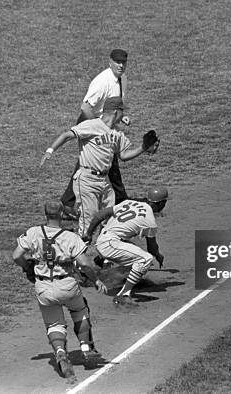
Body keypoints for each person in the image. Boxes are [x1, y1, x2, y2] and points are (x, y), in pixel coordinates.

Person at [12, 202, 108, 382]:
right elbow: (85, 264)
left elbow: (16, 255)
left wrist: (27, 267)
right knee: (80, 311)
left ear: (45, 214)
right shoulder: (70, 237)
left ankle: (61, 352)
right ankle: (86, 348)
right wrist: (95, 280)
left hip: (44, 288)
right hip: (67, 285)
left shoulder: (33, 232)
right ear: (62, 214)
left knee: (54, 324)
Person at [39, 96, 158, 236]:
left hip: (105, 181)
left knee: (110, 216)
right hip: (87, 179)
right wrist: (49, 151)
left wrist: (143, 148)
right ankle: (81, 250)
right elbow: (67, 135)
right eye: (122, 112)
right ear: (115, 112)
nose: (123, 115)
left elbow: (124, 155)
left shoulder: (117, 133)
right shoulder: (92, 125)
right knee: (87, 219)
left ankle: (103, 245)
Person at [60, 49, 131, 219]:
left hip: (104, 123)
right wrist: (98, 127)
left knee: (99, 163)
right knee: (102, 161)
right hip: (90, 124)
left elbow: (112, 106)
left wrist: (121, 117)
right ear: (110, 62)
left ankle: (68, 203)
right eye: (117, 62)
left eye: (123, 62)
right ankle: (120, 201)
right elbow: (85, 108)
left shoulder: (122, 79)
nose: (121, 66)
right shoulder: (102, 81)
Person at [82, 186, 168, 306]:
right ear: (161, 203)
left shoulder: (129, 203)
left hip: (103, 239)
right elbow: (152, 248)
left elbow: (100, 215)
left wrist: (89, 234)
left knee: (134, 254)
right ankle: (123, 294)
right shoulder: (149, 220)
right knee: (145, 259)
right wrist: (158, 255)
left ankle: (101, 262)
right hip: (110, 245)